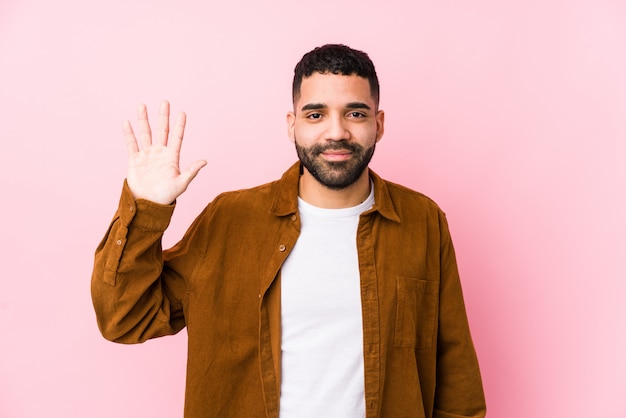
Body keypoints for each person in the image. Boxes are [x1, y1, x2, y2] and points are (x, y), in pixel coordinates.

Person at [92, 44, 486, 418]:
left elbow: (455, 376)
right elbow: (126, 318)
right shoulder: (230, 220)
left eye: (355, 113)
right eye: (316, 114)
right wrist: (146, 208)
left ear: (378, 124)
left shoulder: (422, 221)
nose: (336, 132)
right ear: (292, 124)